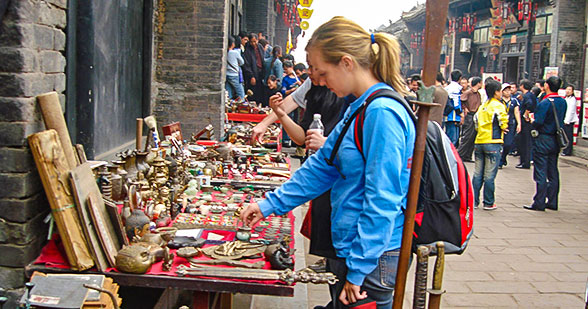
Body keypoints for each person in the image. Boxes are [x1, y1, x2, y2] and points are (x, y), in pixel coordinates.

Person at [241, 16, 415, 308]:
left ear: (346, 63)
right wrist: (267, 205)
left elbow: (383, 199)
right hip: (352, 247)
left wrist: (358, 270)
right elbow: (322, 167)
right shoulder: (359, 107)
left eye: (322, 72)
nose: (318, 81)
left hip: (373, 258)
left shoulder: (381, 113)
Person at [524, 76, 567, 211]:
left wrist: (531, 120)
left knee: (541, 171)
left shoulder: (545, 102)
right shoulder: (563, 102)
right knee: (553, 170)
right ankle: (553, 201)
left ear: (547, 86)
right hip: (556, 139)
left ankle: (540, 201)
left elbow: (538, 122)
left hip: (543, 138)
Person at [472, 79, 508, 210]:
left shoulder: (483, 106)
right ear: (496, 92)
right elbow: (503, 119)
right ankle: (488, 202)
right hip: (493, 142)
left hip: (479, 141)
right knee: (489, 175)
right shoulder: (498, 105)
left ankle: (474, 201)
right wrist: (504, 127)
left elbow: (475, 121)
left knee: (477, 174)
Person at [458, 76, 483, 162]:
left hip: (476, 115)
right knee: (467, 136)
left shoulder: (478, 94)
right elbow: (461, 100)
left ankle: (468, 155)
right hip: (469, 116)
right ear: (478, 83)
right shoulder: (468, 93)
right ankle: (460, 155)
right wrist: (465, 108)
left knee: (473, 136)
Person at [499, 83, 521, 168]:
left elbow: (516, 112)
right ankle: (500, 161)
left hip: (510, 124)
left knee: (508, 144)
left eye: (509, 90)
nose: (508, 92)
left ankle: (504, 157)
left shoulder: (514, 101)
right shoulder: (499, 101)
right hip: (500, 124)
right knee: (500, 143)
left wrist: (519, 123)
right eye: (505, 90)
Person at [517, 79, 536, 169]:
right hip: (528, 122)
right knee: (526, 142)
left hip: (525, 123)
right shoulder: (530, 95)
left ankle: (525, 162)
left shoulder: (527, 96)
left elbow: (529, 105)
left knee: (525, 142)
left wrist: (526, 115)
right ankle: (525, 161)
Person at [242, 33, 266, 103]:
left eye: (255, 41)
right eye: (251, 41)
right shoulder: (247, 50)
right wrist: (251, 76)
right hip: (252, 73)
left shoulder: (260, 47)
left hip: (260, 73)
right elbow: (246, 65)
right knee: (252, 93)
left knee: (260, 92)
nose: (253, 43)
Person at [444, 70, 463, 146]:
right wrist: (460, 113)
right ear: (460, 78)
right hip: (453, 116)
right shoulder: (456, 88)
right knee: (453, 139)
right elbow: (456, 103)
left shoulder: (447, 88)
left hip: (448, 116)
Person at [562, 85, 578, 156]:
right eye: (567, 89)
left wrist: (567, 120)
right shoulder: (566, 98)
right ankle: (565, 150)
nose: (568, 91)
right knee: (565, 136)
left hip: (569, 121)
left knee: (568, 136)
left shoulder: (573, 99)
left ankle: (567, 151)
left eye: (569, 90)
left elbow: (571, 111)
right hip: (565, 119)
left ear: (572, 92)